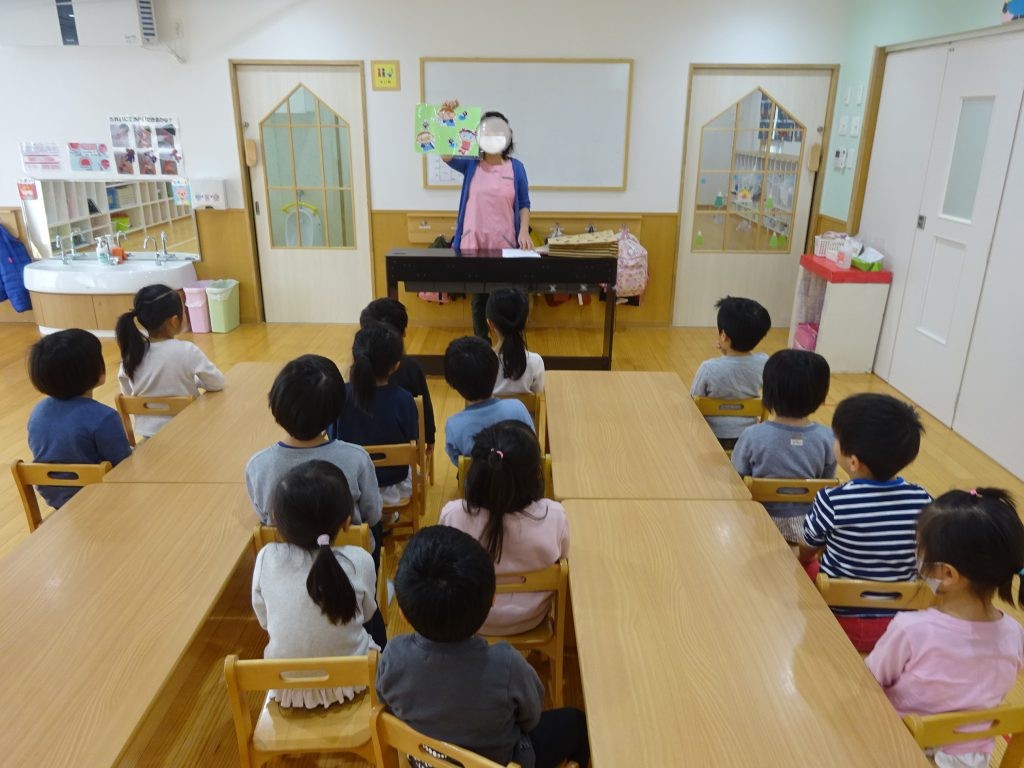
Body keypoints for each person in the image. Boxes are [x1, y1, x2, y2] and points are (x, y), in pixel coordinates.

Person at [376, 526, 590, 768]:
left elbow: (386, 700)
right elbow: (531, 717)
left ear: (402, 614)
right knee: (576, 722)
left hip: (425, 760)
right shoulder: (506, 664)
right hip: (500, 761)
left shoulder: (393, 656)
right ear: (492, 601)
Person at [867, 488, 1024, 768]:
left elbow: (870, 680)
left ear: (948, 574)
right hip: (971, 761)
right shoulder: (1014, 633)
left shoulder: (911, 629)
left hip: (899, 750)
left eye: (920, 549)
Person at [799, 393, 931, 652]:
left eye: (836, 437)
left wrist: (806, 558)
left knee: (800, 563)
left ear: (853, 461)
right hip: (899, 624)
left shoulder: (832, 500)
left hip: (839, 620)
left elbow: (807, 548)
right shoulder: (923, 499)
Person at [252, 461, 383, 708]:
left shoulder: (266, 557)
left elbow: (264, 620)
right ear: (346, 521)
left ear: (277, 520)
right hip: (353, 681)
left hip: (286, 687)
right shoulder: (359, 559)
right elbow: (366, 615)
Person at [244, 354, 382, 556]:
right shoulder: (356, 458)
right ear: (335, 410)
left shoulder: (258, 465)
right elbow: (373, 515)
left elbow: (266, 519)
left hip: (287, 559)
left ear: (276, 404)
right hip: (349, 556)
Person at [440, 421, 567, 635]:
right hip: (532, 616)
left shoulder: (454, 515)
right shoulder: (553, 514)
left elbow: (445, 566)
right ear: (535, 475)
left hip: (471, 617)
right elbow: (563, 558)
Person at [730, 349, 835, 543]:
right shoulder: (828, 438)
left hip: (758, 524)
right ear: (821, 397)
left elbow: (736, 476)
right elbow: (825, 484)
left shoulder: (753, 435)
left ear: (768, 391)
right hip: (807, 531)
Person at [445, 110, 532, 340]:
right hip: (474, 243)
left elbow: (524, 203)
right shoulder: (470, 164)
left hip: (505, 244)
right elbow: (445, 154)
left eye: (498, 131)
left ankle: (510, 346)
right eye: (488, 132)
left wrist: (524, 230)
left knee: (506, 298)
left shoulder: (517, 168)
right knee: (479, 299)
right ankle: (482, 348)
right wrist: (449, 116)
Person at [26, 329, 132, 508]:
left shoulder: (37, 412)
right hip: (103, 501)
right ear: (92, 369)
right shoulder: (103, 418)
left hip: (57, 501)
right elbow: (124, 466)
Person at [115, 283, 224, 439]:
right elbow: (217, 383)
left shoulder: (131, 355)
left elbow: (128, 394)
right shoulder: (187, 350)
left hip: (150, 436)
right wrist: (197, 382)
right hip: (190, 431)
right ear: (174, 320)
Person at [329, 324, 418, 506]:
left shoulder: (339, 396)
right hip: (394, 486)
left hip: (350, 486)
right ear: (395, 366)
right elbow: (412, 439)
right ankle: (385, 519)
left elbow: (332, 437)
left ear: (355, 359)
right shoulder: (404, 399)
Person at [690, 296, 772, 448]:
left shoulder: (709, 368)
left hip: (711, 436)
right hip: (746, 437)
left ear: (723, 336)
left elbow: (693, 401)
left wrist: (725, 355)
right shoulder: (764, 362)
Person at [359, 298, 436, 458]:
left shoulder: (354, 373)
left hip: (357, 462)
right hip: (402, 463)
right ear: (402, 334)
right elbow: (425, 409)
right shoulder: (411, 368)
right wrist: (430, 437)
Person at [443, 336, 534, 465]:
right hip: (523, 482)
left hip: (479, 484)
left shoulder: (454, 426)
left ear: (452, 384)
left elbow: (461, 465)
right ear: (496, 371)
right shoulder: (518, 408)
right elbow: (532, 447)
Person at [487, 288, 544, 395]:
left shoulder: (482, 362)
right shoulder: (536, 362)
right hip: (525, 412)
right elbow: (538, 396)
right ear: (525, 321)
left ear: (490, 323)